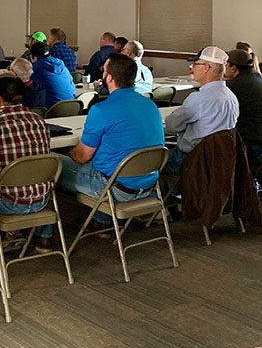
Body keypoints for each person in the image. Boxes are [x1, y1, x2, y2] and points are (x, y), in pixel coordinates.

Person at [56, 53, 165, 233]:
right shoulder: (150, 105)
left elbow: (82, 157)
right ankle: (101, 221)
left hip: (115, 188)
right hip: (148, 184)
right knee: (106, 162)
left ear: (109, 78)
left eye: (104, 71)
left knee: (53, 162)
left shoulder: (101, 110)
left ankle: (43, 231)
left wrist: (68, 153)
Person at [0, 76, 54, 253]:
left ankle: (9, 232)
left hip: (7, 202)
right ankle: (43, 238)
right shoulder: (39, 121)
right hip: (42, 199)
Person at [164, 46, 239, 176]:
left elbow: (171, 126)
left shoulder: (198, 99)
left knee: (149, 162)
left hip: (191, 160)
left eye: (196, 64)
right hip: (219, 162)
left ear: (206, 68)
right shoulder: (232, 97)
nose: (192, 68)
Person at [225, 49, 262, 166]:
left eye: (225, 65)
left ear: (233, 68)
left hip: (250, 144)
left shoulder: (235, 87)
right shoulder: (257, 77)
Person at [29, 42, 75, 109]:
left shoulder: (35, 68)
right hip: (70, 108)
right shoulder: (61, 65)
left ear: (34, 57)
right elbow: (72, 89)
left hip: (50, 110)